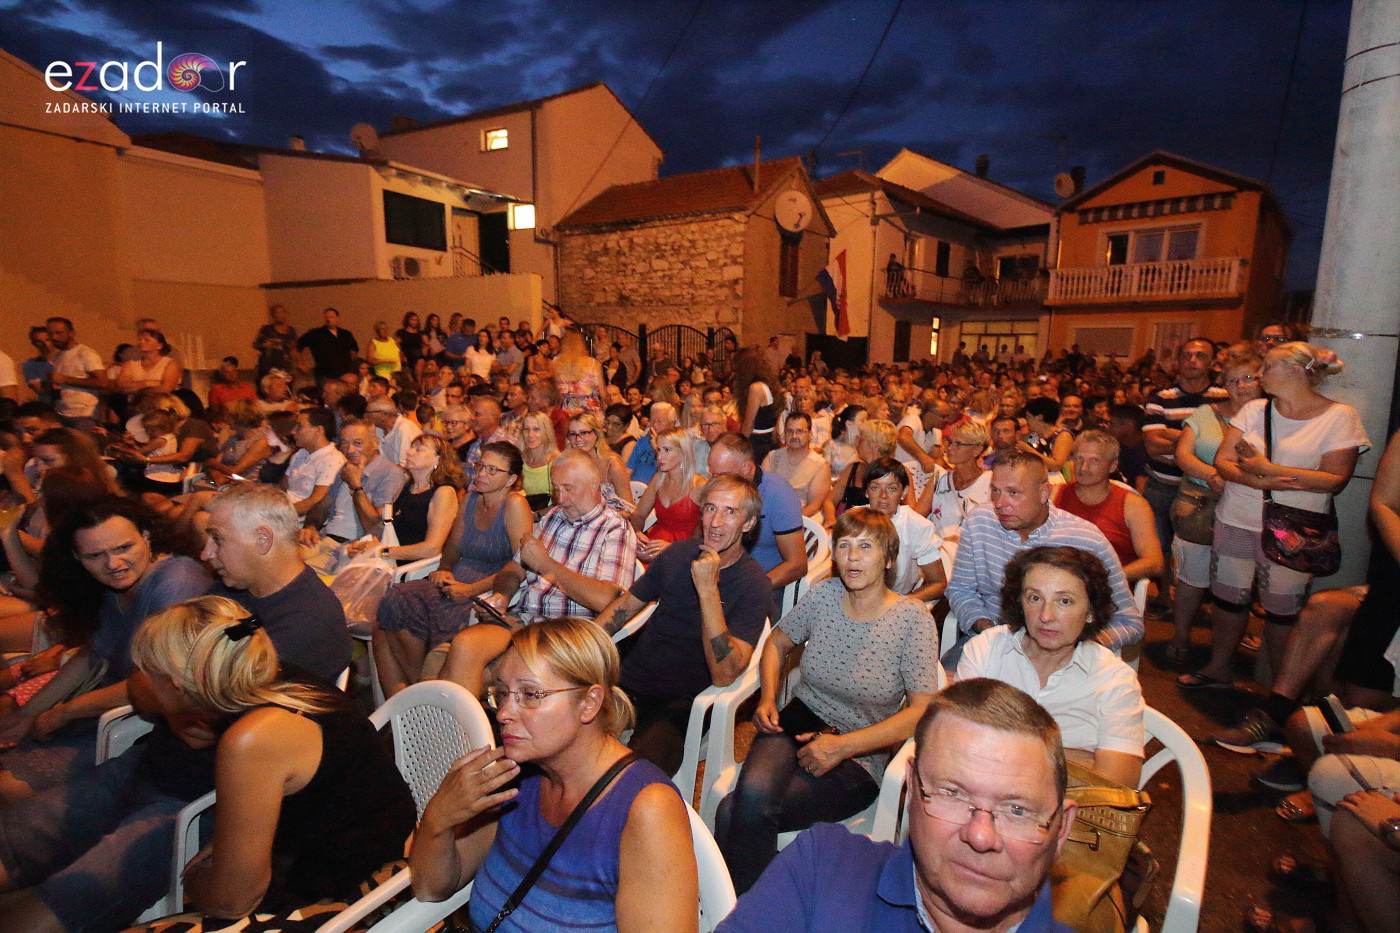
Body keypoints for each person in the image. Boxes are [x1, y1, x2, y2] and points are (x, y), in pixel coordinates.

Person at [0, 595, 415, 932]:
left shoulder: (252, 739)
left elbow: (233, 901)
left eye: (152, 671)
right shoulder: (250, 670)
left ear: (178, 686)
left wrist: (195, 881)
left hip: (332, 876)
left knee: (79, 896)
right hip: (300, 825)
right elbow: (141, 689)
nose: (142, 679)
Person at [717, 678, 1076, 932]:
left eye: (1017, 810)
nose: (981, 836)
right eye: (953, 793)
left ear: (1062, 829)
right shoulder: (822, 867)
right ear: (913, 789)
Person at [411, 617, 698, 931]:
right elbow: (432, 888)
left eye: (531, 695)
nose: (504, 713)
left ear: (589, 702)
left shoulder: (645, 810)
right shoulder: (515, 775)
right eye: (502, 694)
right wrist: (438, 819)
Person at [714, 508, 941, 893]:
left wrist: (841, 747)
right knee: (748, 799)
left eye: (865, 547)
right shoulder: (825, 595)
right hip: (799, 718)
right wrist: (768, 697)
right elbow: (777, 643)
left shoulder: (912, 619)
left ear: (888, 560)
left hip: (859, 753)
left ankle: (741, 908)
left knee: (731, 810)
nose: (852, 556)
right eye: (844, 545)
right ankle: (757, 909)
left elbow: (922, 713)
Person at [1180, 342, 1368, 690]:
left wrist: (1268, 470)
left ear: (1296, 372)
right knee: (1227, 598)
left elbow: (1335, 478)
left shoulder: (1339, 417)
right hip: (1236, 516)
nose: (1261, 374)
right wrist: (1254, 478)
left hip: (1296, 527)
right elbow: (1223, 461)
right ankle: (1219, 667)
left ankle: (1281, 689)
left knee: (1283, 611)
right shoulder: (1254, 410)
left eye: (1267, 367)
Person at [0, 495, 209, 804]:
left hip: (146, 727)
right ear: (77, 557)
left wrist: (61, 713)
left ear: (147, 536)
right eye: (95, 555)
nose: (113, 564)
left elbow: (157, 683)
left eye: (124, 548)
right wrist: (30, 712)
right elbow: (93, 654)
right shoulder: (114, 589)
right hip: (102, 706)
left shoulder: (176, 583)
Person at [598, 474, 774, 774]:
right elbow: (622, 611)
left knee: (634, 778)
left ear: (748, 524)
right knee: (564, 739)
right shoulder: (677, 555)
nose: (716, 521)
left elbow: (724, 674)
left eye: (730, 512)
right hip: (631, 682)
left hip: (682, 705)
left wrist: (708, 589)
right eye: (710, 508)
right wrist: (577, 647)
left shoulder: (754, 584)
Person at [439, 450, 638, 697]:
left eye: (569, 488)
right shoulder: (554, 517)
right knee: (463, 646)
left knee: (459, 678)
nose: (561, 498)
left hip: (565, 635)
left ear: (595, 485)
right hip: (523, 620)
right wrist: (501, 596)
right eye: (556, 489)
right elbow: (515, 568)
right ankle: (453, 726)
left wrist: (547, 566)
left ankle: (445, 725)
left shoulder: (615, 529)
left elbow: (608, 599)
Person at [958, 546, 1144, 786]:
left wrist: (999, 746)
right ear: (1020, 603)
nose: (1046, 615)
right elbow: (959, 745)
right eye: (1035, 598)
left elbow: (1117, 784)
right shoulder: (986, 650)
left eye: (1064, 601)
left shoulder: (1114, 680)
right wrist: (1079, 760)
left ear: (1090, 612)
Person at [945, 450, 1143, 659]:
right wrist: (989, 630)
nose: (1000, 503)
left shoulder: (1086, 539)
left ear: (1043, 493)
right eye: (995, 491)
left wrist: (1080, 649)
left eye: (1014, 493)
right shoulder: (979, 522)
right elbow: (960, 589)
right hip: (991, 642)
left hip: (1061, 654)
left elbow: (1129, 622)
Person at [374, 441, 531, 697]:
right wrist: (445, 568)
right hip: (456, 578)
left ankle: (421, 693)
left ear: (511, 479)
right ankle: (419, 690)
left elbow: (520, 563)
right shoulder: (470, 500)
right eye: (481, 466)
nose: (481, 474)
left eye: (493, 470)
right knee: (395, 598)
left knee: (403, 620)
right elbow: (453, 545)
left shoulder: (514, 505)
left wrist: (471, 590)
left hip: (490, 586)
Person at [200, 483, 352, 685]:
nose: (205, 554)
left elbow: (219, 694)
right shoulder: (238, 587)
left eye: (217, 539)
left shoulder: (306, 624)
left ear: (263, 539)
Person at [1165, 353, 1262, 665]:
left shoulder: (1272, 417)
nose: (1241, 386)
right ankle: (1181, 636)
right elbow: (1183, 454)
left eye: (1249, 377)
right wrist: (1212, 476)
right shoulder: (1207, 413)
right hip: (1201, 505)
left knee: (1237, 586)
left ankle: (1224, 652)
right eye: (1233, 380)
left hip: (1250, 512)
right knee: (1192, 578)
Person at [1141, 338, 1228, 572]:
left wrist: (1171, 434)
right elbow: (1152, 446)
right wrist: (1200, 441)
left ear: (1212, 362)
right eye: (1186, 355)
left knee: (1206, 547)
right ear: (1178, 360)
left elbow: (1227, 443)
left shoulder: (1224, 398)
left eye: (1200, 356)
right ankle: (1167, 601)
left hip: (1205, 487)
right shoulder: (1160, 397)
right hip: (1163, 484)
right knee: (1160, 547)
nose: (1192, 360)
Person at [1052, 430, 1163, 583]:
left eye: (1094, 461)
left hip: (1106, 587)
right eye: (1079, 459)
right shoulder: (1054, 494)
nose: (1083, 467)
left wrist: (1106, 578)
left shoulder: (1132, 505)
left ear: (1112, 466)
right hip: (1056, 581)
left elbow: (1154, 563)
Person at [707, 434, 807, 589]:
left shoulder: (778, 493)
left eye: (721, 475)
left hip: (762, 582)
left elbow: (797, 564)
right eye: (711, 473)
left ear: (746, 468)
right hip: (719, 576)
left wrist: (753, 591)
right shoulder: (718, 491)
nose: (714, 481)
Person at [345, 433, 462, 564]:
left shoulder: (444, 492)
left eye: (419, 449)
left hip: (413, 568)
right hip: (391, 561)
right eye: (411, 447)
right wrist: (361, 545)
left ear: (439, 459)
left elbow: (432, 548)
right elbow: (387, 526)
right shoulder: (407, 487)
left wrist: (381, 552)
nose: (409, 452)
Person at [858, 459, 946, 603]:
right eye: (875, 488)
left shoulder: (916, 526)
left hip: (898, 599)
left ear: (904, 492)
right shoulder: (853, 521)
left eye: (892, 488)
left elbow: (939, 584)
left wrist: (901, 603)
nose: (883, 496)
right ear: (867, 492)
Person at [631, 427, 704, 560]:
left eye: (667, 450)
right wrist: (636, 534)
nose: (659, 456)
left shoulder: (698, 485)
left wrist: (673, 548)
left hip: (684, 553)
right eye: (658, 450)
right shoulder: (659, 478)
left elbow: (703, 534)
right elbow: (639, 515)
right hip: (654, 544)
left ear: (683, 452)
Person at [918, 418, 992, 540]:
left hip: (970, 551)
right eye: (949, 442)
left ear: (977, 450)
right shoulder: (939, 479)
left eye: (958, 444)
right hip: (937, 550)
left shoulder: (991, 482)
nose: (949, 448)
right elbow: (915, 518)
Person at [763, 412, 831, 521]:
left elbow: (813, 507)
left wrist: (786, 520)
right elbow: (762, 493)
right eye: (789, 431)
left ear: (810, 434)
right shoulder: (772, 457)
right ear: (784, 434)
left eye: (800, 431)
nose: (794, 436)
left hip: (803, 520)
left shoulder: (820, 466)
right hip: (772, 515)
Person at [566, 412, 634, 515]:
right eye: (573, 434)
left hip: (611, 523)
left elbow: (629, 509)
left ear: (596, 434)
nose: (578, 439)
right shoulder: (568, 465)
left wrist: (600, 520)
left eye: (584, 433)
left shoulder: (612, 465)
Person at [45, 317, 107, 430]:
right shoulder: (58, 355)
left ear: (71, 333)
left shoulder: (85, 353)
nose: (54, 337)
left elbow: (103, 383)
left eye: (59, 333)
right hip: (62, 414)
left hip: (84, 415)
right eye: (50, 333)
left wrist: (66, 379)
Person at [832, 418, 898, 517]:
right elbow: (830, 500)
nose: (857, 440)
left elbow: (909, 510)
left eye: (861, 438)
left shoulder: (897, 473)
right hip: (849, 526)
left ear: (874, 445)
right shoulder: (853, 469)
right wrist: (830, 519)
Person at [733, 348, 782, 464]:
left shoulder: (756, 388)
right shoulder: (768, 385)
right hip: (769, 441)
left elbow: (748, 425)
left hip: (758, 445)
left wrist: (739, 443)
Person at [297, 307, 358, 383]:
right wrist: (301, 363)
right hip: (324, 375)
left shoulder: (346, 334)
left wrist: (350, 367)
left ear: (337, 319)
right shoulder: (316, 333)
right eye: (327, 317)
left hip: (344, 374)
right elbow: (299, 345)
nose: (329, 319)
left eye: (331, 317)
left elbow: (354, 350)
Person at [1019, 397, 1073, 476]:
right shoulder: (1034, 435)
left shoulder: (1062, 435)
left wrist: (1028, 450)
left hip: (1057, 480)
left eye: (1029, 417)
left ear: (1040, 417)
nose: (1027, 421)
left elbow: (1056, 466)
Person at [519, 410, 559, 512]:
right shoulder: (518, 460)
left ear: (546, 432)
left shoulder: (557, 461)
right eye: (526, 429)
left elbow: (562, 501)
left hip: (549, 516)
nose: (530, 434)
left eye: (536, 429)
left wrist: (537, 515)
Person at [252, 304, 298, 382]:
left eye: (282, 312)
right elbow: (256, 344)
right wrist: (265, 345)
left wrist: (295, 367)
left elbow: (293, 349)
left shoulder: (291, 331)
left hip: (286, 369)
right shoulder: (266, 330)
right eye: (277, 313)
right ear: (273, 315)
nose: (280, 315)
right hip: (269, 369)